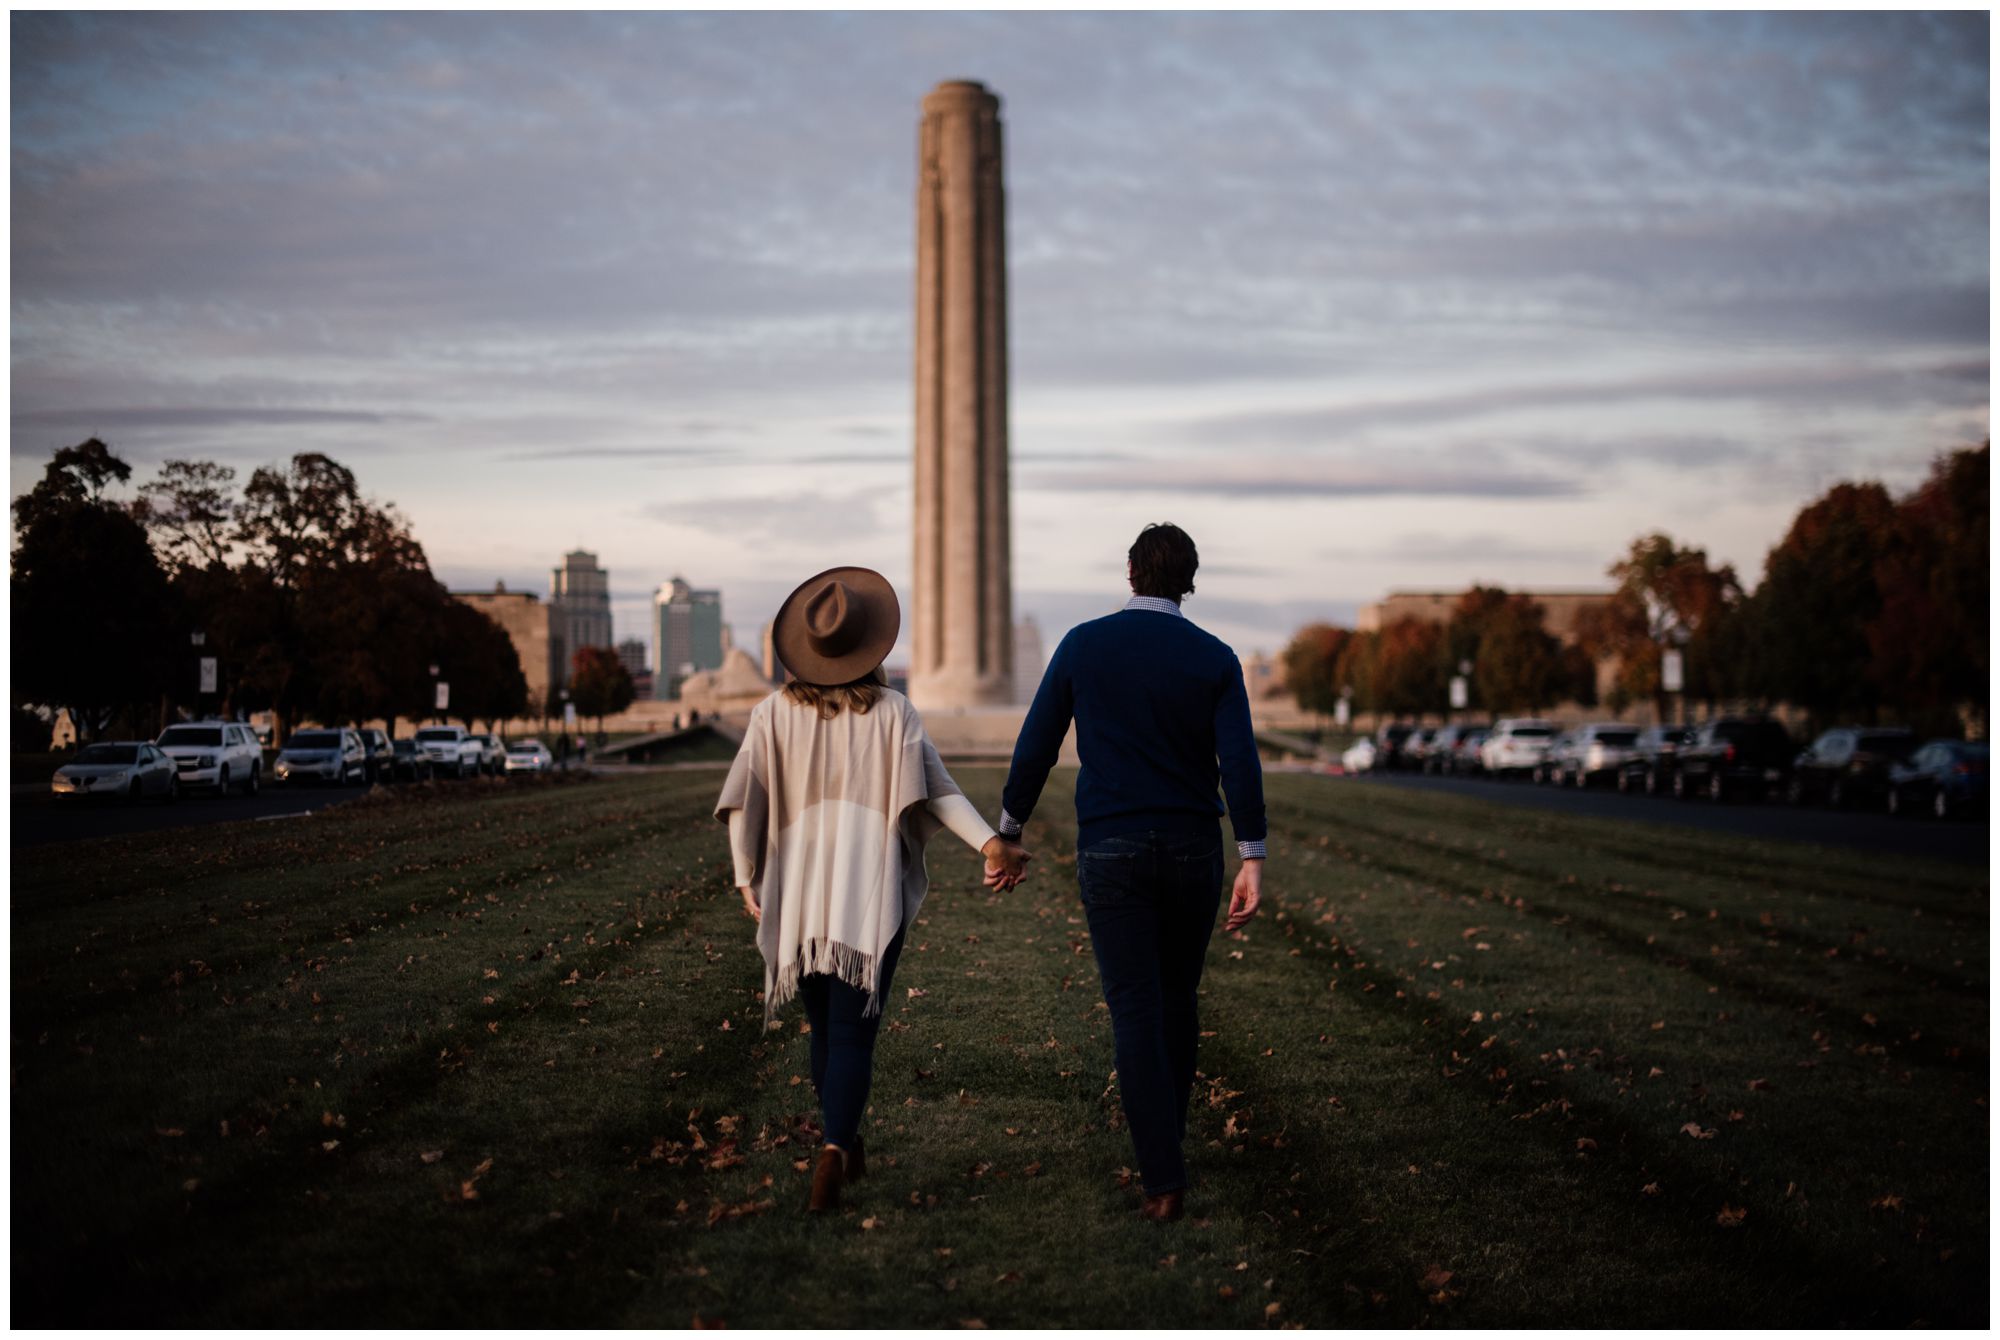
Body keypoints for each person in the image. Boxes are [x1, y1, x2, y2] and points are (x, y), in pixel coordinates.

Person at [716, 566, 1030, 1213]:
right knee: (853, 1032)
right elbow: (937, 793)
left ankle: (840, 1142)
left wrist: (746, 874)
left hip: (798, 892)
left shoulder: (771, 714)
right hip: (867, 891)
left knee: (823, 1030)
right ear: (870, 645)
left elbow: (745, 801)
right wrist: (990, 845)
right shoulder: (894, 713)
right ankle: (836, 1146)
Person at [992, 523, 1266, 1222]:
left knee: (1137, 1007)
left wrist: (1010, 829)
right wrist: (1253, 855)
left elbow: (1037, 743)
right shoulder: (1215, 657)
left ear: (1131, 573)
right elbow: (1239, 763)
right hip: (1193, 846)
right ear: (1189, 581)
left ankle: (1163, 1177)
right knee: (1177, 999)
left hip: (1112, 846)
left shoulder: (1085, 644)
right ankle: (1167, 1144)